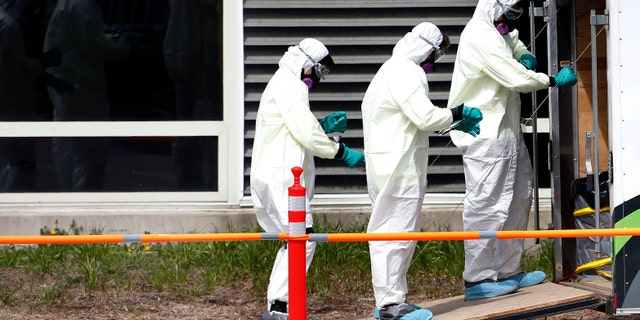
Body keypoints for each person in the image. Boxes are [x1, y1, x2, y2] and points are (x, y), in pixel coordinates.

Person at [447, 0, 578, 301]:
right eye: (512, 10)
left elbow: (514, 45)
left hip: (507, 130)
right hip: (485, 133)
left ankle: (508, 270)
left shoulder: (498, 29)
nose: (514, 17)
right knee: (487, 205)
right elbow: (513, 76)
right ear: (495, 5)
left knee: (520, 196)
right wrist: (552, 80)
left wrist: (525, 53)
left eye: (519, 11)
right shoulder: (479, 35)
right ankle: (477, 279)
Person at [361, 22, 483, 320]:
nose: (434, 61)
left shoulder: (389, 69)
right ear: (426, 48)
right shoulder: (406, 71)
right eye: (437, 54)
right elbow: (425, 116)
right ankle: (389, 306)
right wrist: (456, 114)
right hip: (399, 168)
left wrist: (451, 122)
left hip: (388, 164)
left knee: (395, 232)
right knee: (395, 234)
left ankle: (394, 300)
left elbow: (412, 119)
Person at [250, 38, 365, 320]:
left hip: (274, 175)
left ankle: (280, 308)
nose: (319, 78)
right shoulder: (292, 85)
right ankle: (280, 309)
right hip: (282, 179)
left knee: (295, 241)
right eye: (320, 72)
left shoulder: (283, 81)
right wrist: (340, 151)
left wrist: (322, 126)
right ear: (307, 65)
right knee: (303, 239)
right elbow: (303, 131)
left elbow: (293, 126)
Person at [43, 0, 130, 191]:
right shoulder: (83, 6)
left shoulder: (67, 4)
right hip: (82, 87)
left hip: (65, 85)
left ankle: (68, 201)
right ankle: (84, 209)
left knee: (68, 149)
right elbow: (95, 47)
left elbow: (80, 40)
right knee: (90, 153)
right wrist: (122, 46)